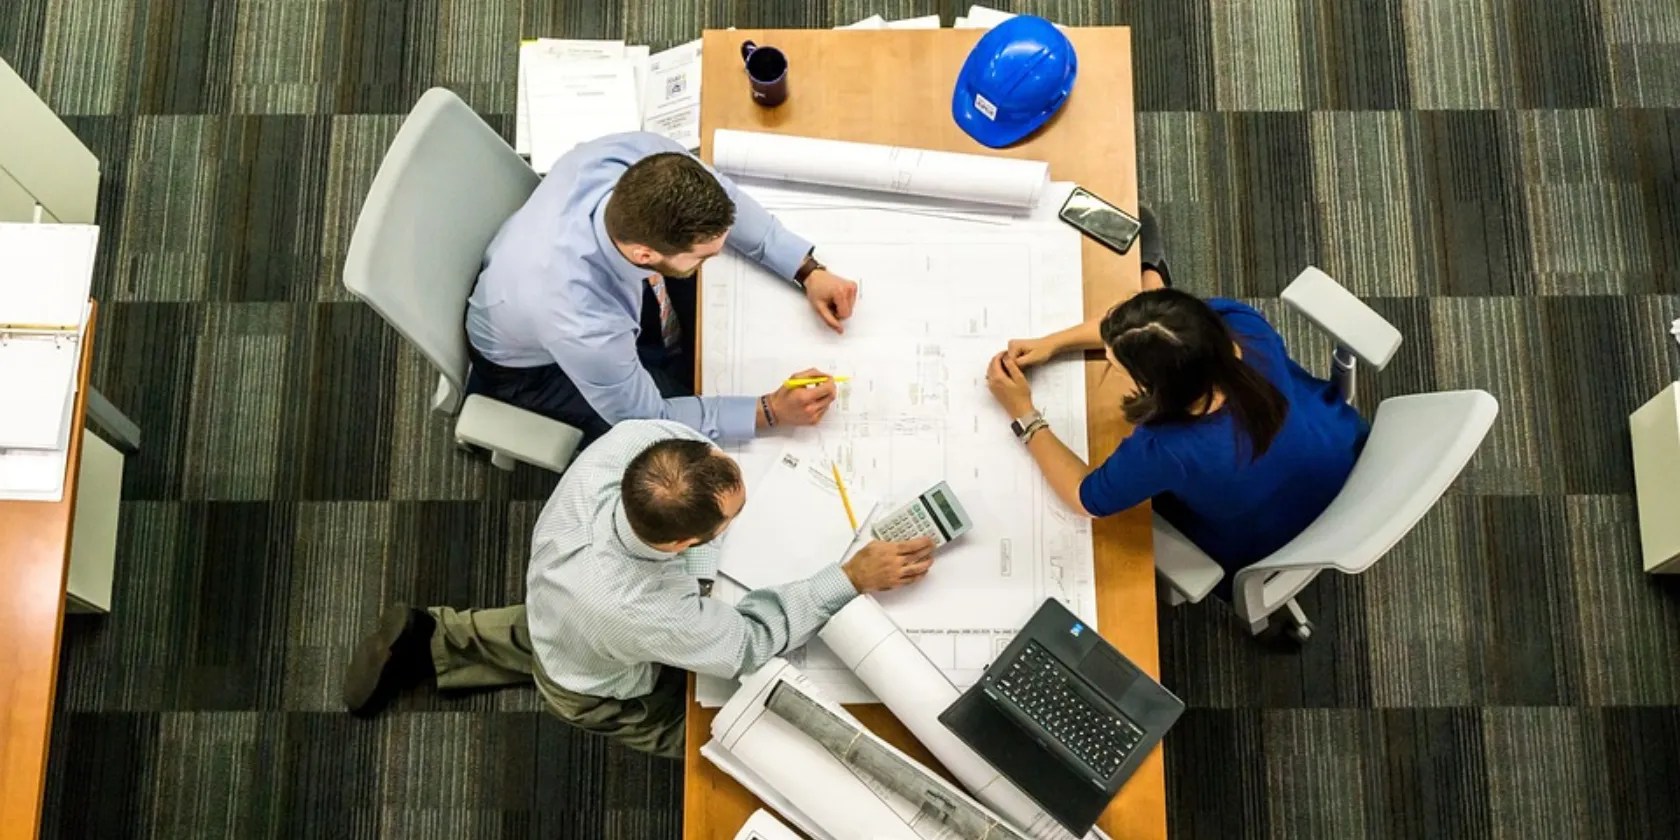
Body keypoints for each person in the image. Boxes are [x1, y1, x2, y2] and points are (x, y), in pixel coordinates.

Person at [342, 419, 936, 758]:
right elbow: (747, 644)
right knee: (715, 733)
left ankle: (433, 638)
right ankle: (729, 749)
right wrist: (849, 577)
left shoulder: (635, 444)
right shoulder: (642, 610)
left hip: (560, 601)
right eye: (729, 521)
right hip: (596, 681)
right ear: (682, 544)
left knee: (552, 629)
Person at [982, 213, 1367, 596]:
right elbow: (1148, 326)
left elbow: (1086, 498)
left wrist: (1023, 413)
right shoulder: (1240, 325)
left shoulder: (1167, 449)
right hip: (1343, 452)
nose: (1109, 365)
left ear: (1155, 387)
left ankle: (1153, 270)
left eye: (1116, 365)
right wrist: (1054, 342)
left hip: (1270, 538)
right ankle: (1154, 271)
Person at [467, 131, 862, 445]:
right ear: (644, 254)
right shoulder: (582, 321)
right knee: (679, 450)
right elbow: (647, 418)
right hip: (533, 369)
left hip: (535, 274)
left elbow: (726, 198)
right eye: (704, 256)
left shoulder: (641, 157)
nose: (715, 258)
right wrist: (770, 411)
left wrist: (805, 268)